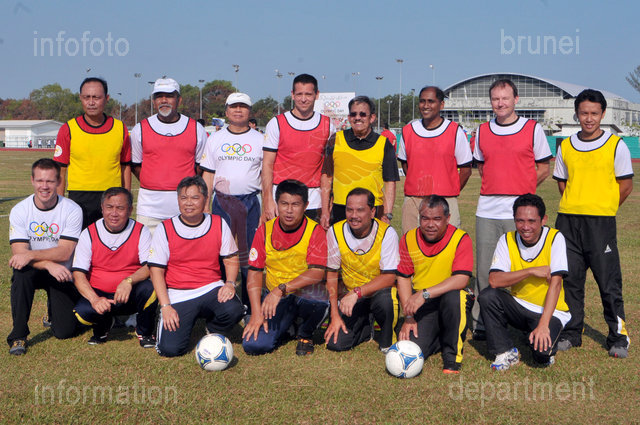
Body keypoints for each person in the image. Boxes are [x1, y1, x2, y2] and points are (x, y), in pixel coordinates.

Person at [553, 89, 633, 358]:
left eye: (594, 113)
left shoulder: (616, 145)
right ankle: (571, 333)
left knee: (608, 283)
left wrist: (604, 208)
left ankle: (618, 337)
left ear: (603, 114)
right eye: (584, 113)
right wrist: (577, 204)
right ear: (577, 114)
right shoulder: (566, 146)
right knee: (570, 281)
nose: (589, 118)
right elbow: (563, 183)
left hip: (600, 224)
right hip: (568, 221)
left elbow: (625, 185)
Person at [471, 79, 552, 341]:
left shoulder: (532, 128)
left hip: (519, 213)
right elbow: (482, 166)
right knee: (485, 269)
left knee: (519, 268)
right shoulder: (482, 130)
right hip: (487, 210)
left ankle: (524, 317)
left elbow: (544, 168)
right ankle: (482, 322)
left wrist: (523, 192)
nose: (500, 103)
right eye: (495, 99)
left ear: (516, 99)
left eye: (505, 98)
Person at [148, 176, 245, 357]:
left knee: (234, 309)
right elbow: (156, 271)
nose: (188, 203)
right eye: (183, 198)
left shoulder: (218, 223)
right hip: (179, 293)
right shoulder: (165, 228)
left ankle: (214, 329)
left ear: (205, 199)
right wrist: (166, 306)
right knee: (170, 350)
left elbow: (230, 257)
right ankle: (180, 321)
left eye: (195, 197)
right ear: (178, 200)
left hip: (211, 287)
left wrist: (230, 283)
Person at [479, 194, 570, 370]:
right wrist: (530, 271)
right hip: (519, 306)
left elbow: (556, 284)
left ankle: (539, 335)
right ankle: (504, 351)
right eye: (520, 221)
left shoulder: (555, 238)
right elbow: (494, 280)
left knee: (541, 356)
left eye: (531, 221)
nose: (525, 227)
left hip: (551, 311)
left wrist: (543, 324)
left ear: (543, 220)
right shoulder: (506, 240)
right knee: (488, 296)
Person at [242, 180, 328, 356]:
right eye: (284, 204)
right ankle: (288, 325)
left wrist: (281, 289)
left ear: (306, 206)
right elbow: (254, 272)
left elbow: (317, 272)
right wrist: (256, 313)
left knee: (320, 301)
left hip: (303, 294)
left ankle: (305, 334)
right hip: (275, 298)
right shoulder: (264, 230)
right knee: (254, 345)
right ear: (277, 204)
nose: (289, 210)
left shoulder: (315, 231)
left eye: (295, 204)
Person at [7, 159, 83, 355]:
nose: (44, 186)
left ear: (58, 182)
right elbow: (19, 254)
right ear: (32, 180)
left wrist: (31, 255)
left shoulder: (72, 209)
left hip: (62, 272)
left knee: (64, 331)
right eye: (40, 180)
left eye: (50, 181)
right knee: (21, 273)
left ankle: (53, 312)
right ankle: (18, 335)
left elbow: (65, 252)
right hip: (38, 269)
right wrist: (49, 264)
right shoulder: (20, 210)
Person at [71, 187, 158, 347]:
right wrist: (94, 299)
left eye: (120, 208)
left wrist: (128, 281)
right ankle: (103, 325)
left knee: (151, 288)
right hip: (99, 294)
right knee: (82, 314)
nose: (114, 213)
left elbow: (149, 267)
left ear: (130, 210)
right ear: (102, 208)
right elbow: (78, 274)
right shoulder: (88, 233)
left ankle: (144, 331)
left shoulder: (141, 231)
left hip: (128, 294)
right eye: (109, 207)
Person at [396, 195, 473, 374]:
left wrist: (425, 293)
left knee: (455, 297)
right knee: (414, 349)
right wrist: (409, 317)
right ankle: (440, 334)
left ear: (448, 218)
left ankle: (452, 358)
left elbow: (461, 279)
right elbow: (403, 278)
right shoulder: (408, 239)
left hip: (449, 299)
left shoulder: (460, 238)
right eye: (425, 218)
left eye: (437, 219)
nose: (430, 224)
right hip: (424, 305)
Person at [201, 92, 263, 311]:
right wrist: (205, 207)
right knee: (220, 252)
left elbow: (266, 176)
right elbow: (208, 175)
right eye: (233, 106)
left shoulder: (260, 139)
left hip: (250, 202)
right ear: (226, 111)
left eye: (242, 107)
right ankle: (220, 303)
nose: (238, 110)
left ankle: (249, 305)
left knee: (249, 254)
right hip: (222, 202)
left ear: (249, 111)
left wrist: (267, 207)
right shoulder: (215, 139)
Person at [324, 188, 399, 352]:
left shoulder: (387, 233)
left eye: (360, 210)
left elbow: (389, 277)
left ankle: (387, 339)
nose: (354, 215)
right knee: (336, 344)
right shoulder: (335, 232)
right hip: (352, 298)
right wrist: (334, 315)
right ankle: (366, 328)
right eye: (349, 210)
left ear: (372, 212)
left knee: (386, 301)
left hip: (379, 293)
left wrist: (357, 292)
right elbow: (332, 274)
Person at [130, 77, 208, 233]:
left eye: (169, 96)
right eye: (159, 96)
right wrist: (153, 181)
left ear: (179, 100)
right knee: (148, 249)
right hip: (149, 209)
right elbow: (136, 164)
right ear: (153, 101)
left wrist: (184, 188)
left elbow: (201, 166)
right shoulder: (140, 129)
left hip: (185, 208)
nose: (164, 100)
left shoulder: (196, 129)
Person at [54, 77, 131, 229]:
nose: (91, 102)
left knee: (111, 241)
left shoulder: (120, 128)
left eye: (96, 97)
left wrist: (126, 198)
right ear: (80, 98)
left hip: (112, 197)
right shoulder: (68, 129)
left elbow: (125, 166)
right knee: (79, 242)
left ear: (106, 99)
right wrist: (59, 204)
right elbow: (60, 171)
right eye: (86, 97)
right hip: (79, 198)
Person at [262, 74, 335, 225]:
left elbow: (328, 170)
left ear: (317, 95)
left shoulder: (328, 125)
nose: (303, 99)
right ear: (292, 95)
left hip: (314, 201)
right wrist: (268, 200)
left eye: (308, 94)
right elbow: (267, 165)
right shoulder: (276, 123)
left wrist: (326, 206)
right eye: (299, 94)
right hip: (282, 200)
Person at [398, 86, 473, 233]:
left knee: (447, 245)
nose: (426, 105)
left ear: (441, 104)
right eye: (422, 101)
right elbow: (406, 164)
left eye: (431, 101)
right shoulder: (408, 131)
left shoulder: (454, 131)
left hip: (446, 200)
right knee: (411, 244)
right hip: (414, 200)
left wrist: (450, 190)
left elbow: (466, 170)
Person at [321, 96, 399, 227]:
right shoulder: (335, 140)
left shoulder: (384, 144)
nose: (357, 118)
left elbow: (390, 182)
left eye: (362, 114)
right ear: (349, 117)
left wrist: (387, 214)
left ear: (372, 118)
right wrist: (324, 211)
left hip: (373, 211)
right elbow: (326, 177)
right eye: (353, 114)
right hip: (340, 210)